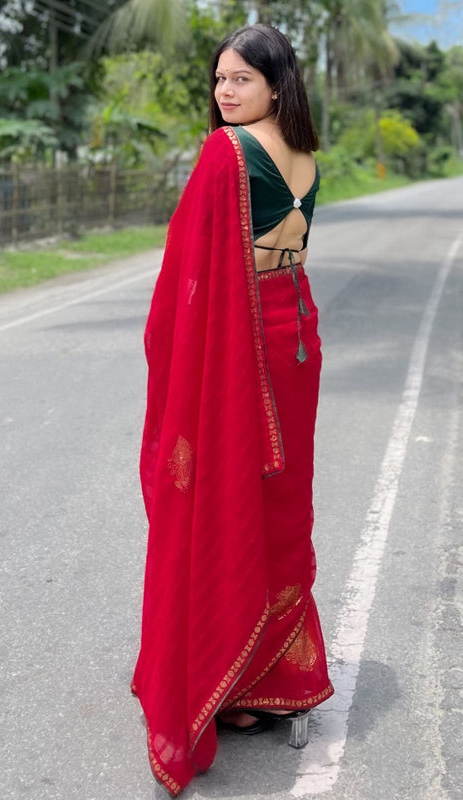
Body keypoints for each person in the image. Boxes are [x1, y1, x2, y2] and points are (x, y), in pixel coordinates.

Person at [131, 24, 333, 797]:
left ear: (277, 84)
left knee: (226, 498)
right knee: (281, 502)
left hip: (244, 346)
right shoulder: (308, 158)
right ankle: (278, 670)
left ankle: (232, 680)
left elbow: (189, 266)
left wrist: (169, 345)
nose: (224, 91)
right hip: (296, 340)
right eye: (219, 79)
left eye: (241, 79)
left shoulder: (228, 152)